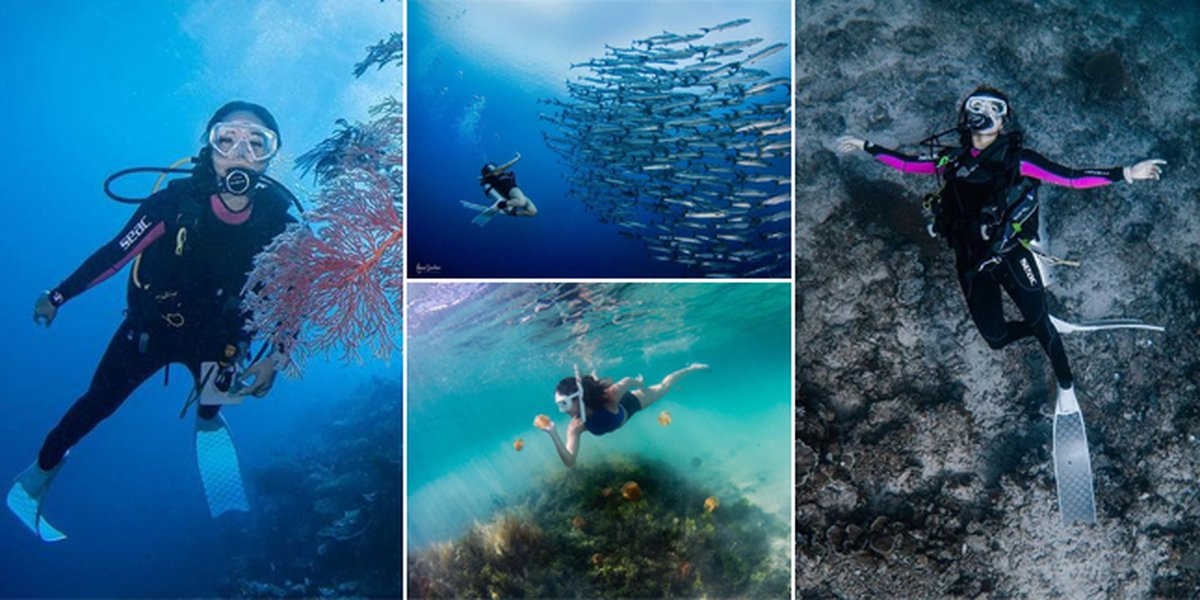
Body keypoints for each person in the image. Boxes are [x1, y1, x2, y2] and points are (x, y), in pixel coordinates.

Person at [8, 101, 298, 541]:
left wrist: (276, 358)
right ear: (209, 147)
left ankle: (209, 419)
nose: (241, 151)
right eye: (228, 138)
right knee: (96, 404)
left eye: (257, 143)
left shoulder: (282, 225)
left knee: (215, 398)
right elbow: (113, 255)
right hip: (152, 329)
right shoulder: (171, 204)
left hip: (223, 338)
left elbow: (295, 296)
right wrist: (58, 295)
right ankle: (36, 477)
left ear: (270, 157)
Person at [836, 86, 1166, 408]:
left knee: (1039, 324)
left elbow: (1071, 178)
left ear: (1003, 122)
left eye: (994, 109)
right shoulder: (952, 158)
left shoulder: (1018, 160)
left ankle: (1066, 386)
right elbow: (908, 164)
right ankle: (1046, 326)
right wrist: (867, 146)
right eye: (976, 106)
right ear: (964, 113)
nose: (983, 113)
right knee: (995, 338)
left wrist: (1127, 173)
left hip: (1011, 255)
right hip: (969, 260)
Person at [536, 363, 708, 468]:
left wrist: (639, 382)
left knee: (664, 387)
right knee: (594, 380)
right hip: (608, 408)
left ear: (578, 398)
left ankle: (690, 368)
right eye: (558, 405)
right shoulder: (576, 426)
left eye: (564, 404)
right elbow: (570, 461)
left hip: (628, 405)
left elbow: (626, 381)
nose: (562, 410)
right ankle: (593, 376)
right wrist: (553, 433)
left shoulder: (610, 396)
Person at [461, 152, 537, 226]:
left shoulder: (497, 174)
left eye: (493, 166)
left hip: (513, 192)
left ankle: (510, 212)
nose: (493, 167)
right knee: (521, 202)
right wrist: (517, 158)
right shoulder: (492, 174)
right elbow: (505, 166)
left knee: (533, 212)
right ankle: (502, 205)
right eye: (490, 167)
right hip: (508, 189)